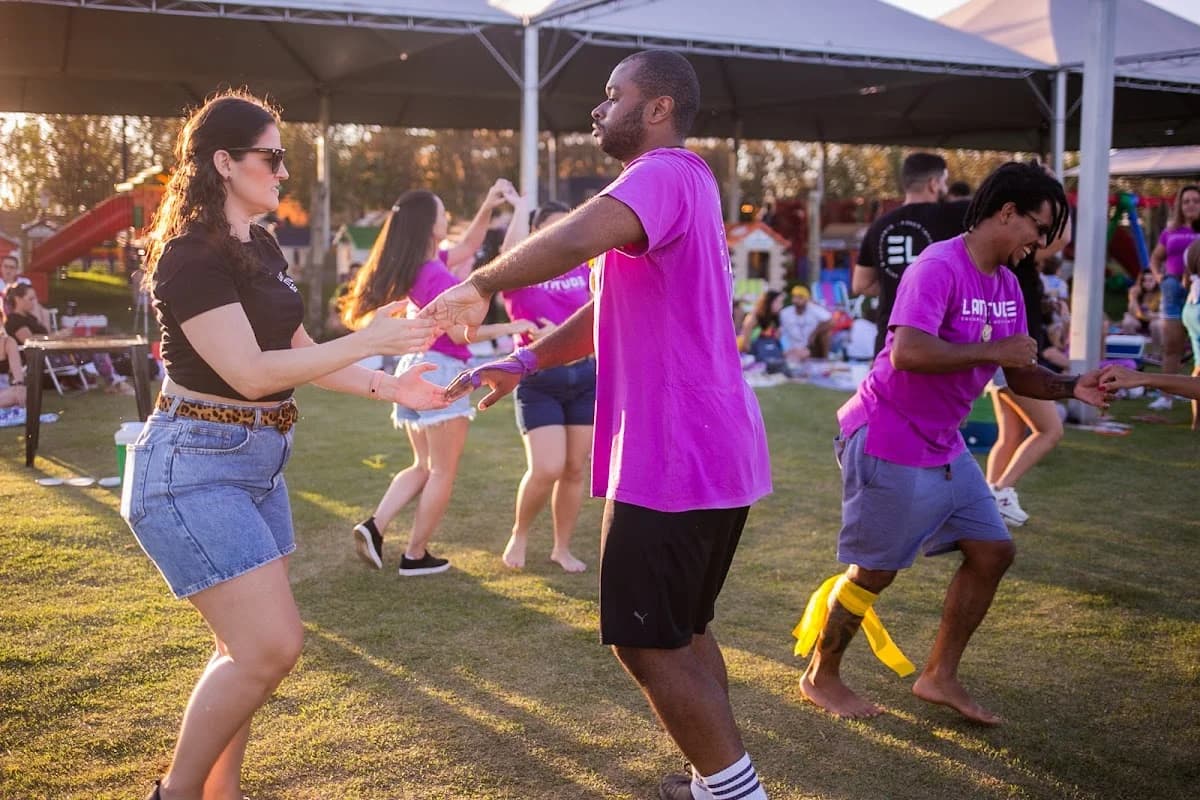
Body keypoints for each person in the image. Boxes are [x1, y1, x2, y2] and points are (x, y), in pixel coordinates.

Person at [423, 50, 773, 800]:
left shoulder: (662, 173)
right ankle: (716, 784)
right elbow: (607, 304)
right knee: (682, 628)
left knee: (646, 642)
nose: (597, 109)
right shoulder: (684, 186)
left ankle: (737, 794)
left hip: (676, 453)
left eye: (613, 95)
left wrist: (482, 279)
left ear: (656, 110)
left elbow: (578, 238)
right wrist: (525, 362)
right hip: (710, 449)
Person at [121, 91, 445, 800]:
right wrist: (372, 339)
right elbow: (250, 371)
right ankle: (175, 794)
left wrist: (394, 387)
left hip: (258, 464)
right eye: (271, 156)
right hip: (191, 464)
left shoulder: (261, 245)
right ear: (225, 161)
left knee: (240, 651)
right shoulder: (187, 256)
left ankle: (220, 793)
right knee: (271, 647)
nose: (283, 171)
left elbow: (298, 349)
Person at [793, 162, 1109, 726]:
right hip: (886, 433)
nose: (1039, 242)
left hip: (943, 443)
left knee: (993, 549)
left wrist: (1071, 386)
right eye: (1038, 227)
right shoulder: (937, 266)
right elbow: (910, 351)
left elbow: (1019, 373)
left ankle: (939, 675)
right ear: (1006, 212)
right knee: (874, 572)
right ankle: (821, 675)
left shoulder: (1008, 283)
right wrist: (993, 354)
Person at [342, 190, 536, 576]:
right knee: (442, 471)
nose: (447, 217)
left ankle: (374, 527)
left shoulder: (425, 265)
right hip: (441, 369)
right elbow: (462, 335)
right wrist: (515, 325)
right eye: (442, 212)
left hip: (416, 367)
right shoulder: (434, 274)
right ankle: (415, 556)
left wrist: (490, 203)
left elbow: (469, 244)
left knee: (423, 465)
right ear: (431, 225)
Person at [495, 197, 594, 572]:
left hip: (586, 377)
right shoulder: (524, 274)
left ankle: (561, 548)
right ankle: (519, 534)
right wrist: (521, 207)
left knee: (574, 469)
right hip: (539, 381)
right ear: (536, 234)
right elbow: (508, 254)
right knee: (547, 467)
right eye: (553, 226)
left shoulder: (585, 268)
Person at [985, 168, 1072, 527]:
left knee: (1011, 434)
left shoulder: (1010, 261)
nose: (1040, 238)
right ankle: (1001, 492)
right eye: (1037, 228)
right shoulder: (1018, 256)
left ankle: (987, 500)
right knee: (1050, 430)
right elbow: (1062, 237)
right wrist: (1055, 190)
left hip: (1008, 355)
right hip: (1014, 358)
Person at [853, 152, 971, 355]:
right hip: (940, 342)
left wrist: (902, 286)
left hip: (889, 344)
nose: (945, 189)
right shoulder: (955, 215)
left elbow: (860, 284)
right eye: (944, 182)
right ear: (933, 183)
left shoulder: (879, 225)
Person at [3, 283, 133, 393]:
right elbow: (30, 340)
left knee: (93, 346)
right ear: (18, 300)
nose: (34, 302)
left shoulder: (29, 317)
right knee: (95, 349)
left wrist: (60, 334)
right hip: (43, 360)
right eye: (30, 299)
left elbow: (46, 336)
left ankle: (114, 381)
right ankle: (115, 383)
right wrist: (57, 335)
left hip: (51, 355)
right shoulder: (15, 320)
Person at [1146, 184, 1200, 410]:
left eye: (1196, 201)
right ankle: (1166, 396)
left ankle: (1193, 391)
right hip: (1171, 290)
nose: (1190, 205)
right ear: (1180, 205)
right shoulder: (1170, 231)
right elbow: (1156, 258)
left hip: (1196, 292)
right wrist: (1159, 277)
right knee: (1171, 346)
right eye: (1186, 201)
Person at [778, 285, 833, 363]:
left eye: (800, 297)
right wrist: (787, 349)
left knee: (826, 334)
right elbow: (780, 333)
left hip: (811, 347)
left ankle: (825, 362)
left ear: (806, 299)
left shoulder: (814, 309)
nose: (797, 300)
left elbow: (830, 321)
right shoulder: (785, 313)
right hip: (792, 348)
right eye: (795, 297)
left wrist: (814, 334)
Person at [1121, 270, 1161, 338]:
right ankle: (1132, 345)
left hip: (1154, 318)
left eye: (1151, 280)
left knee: (1156, 325)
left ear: (1156, 281)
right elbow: (1132, 311)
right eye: (1144, 280)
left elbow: (1165, 313)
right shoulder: (1135, 291)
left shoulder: (1160, 293)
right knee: (1127, 322)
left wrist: (1154, 315)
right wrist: (1133, 298)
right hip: (1138, 318)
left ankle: (1156, 347)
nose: (1147, 283)